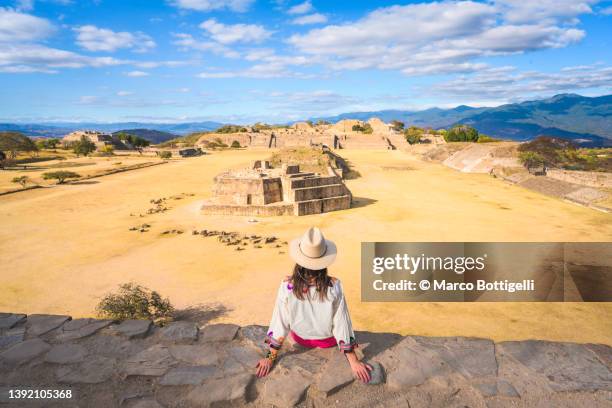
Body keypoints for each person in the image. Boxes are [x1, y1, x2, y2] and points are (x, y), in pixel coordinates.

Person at [255, 227, 372, 382]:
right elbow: (341, 325)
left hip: (299, 338)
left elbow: (280, 324)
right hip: (327, 341)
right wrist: (354, 361)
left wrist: (269, 358)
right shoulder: (334, 286)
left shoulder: (287, 286)